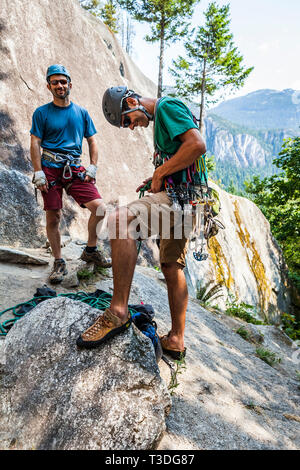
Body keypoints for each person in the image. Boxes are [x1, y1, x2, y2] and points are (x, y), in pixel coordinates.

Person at [76, 86, 206, 359]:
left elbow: (196, 144)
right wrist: (155, 180)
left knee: (119, 220)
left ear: (132, 101)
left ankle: (118, 311)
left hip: (176, 198)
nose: (133, 127)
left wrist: (160, 172)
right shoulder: (163, 118)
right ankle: (176, 340)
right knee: (172, 266)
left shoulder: (166, 107)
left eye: (128, 120)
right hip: (187, 200)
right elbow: (181, 154)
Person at [30, 64, 111, 284]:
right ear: (49, 86)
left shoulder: (81, 113)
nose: (60, 85)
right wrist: (38, 172)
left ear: (70, 84)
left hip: (74, 168)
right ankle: (58, 261)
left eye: (63, 81)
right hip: (50, 167)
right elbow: (35, 142)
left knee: (100, 209)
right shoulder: (42, 113)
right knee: (54, 216)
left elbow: (92, 140)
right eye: (55, 82)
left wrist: (92, 167)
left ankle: (91, 249)